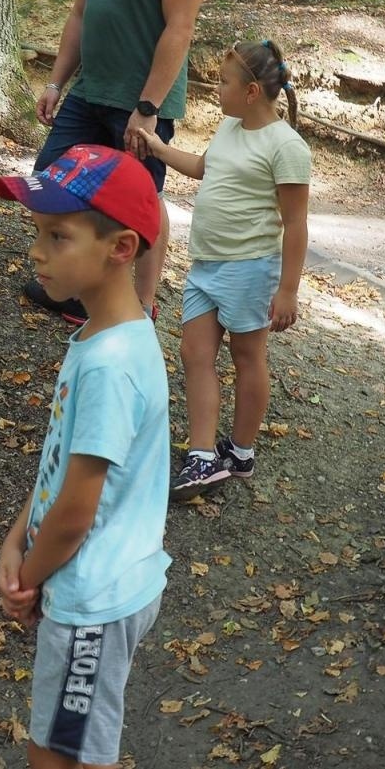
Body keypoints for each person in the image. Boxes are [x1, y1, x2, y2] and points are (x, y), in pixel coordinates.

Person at [0, 145, 171, 769]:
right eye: (37, 232)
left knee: (58, 751)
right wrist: (17, 542)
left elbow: (75, 509)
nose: (37, 251)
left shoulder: (111, 367)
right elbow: (60, 466)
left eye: (58, 235)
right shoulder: (109, 335)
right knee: (64, 741)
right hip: (89, 580)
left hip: (91, 597)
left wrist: (30, 577)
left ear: (120, 248)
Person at [28, 0, 213, 325]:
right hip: (89, 92)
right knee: (52, 182)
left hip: (140, 102)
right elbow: (80, 16)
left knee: (142, 202)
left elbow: (180, 28)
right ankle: (78, 288)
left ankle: (141, 304)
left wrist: (148, 110)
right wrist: (55, 82)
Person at [134, 40, 310, 500]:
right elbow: (201, 167)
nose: (217, 86)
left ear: (252, 91)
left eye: (225, 81)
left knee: (247, 357)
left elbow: (295, 225)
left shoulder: (286, 146)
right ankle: (202, 454)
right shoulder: (230, 128)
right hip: (206, 264)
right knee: (194, 355)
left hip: (250, 269)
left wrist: (288, 290)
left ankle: (242, 450)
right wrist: (155, 147)